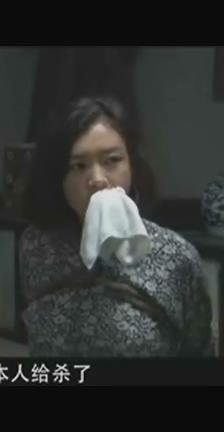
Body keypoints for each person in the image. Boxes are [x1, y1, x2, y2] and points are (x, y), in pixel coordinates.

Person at [20, 95, 213, 357]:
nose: (98, 179)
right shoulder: (36, 246)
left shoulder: (176, 257)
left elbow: (200, 349)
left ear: (132, 165)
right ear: (58, 177)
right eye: (79, 166)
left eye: (112, 160)